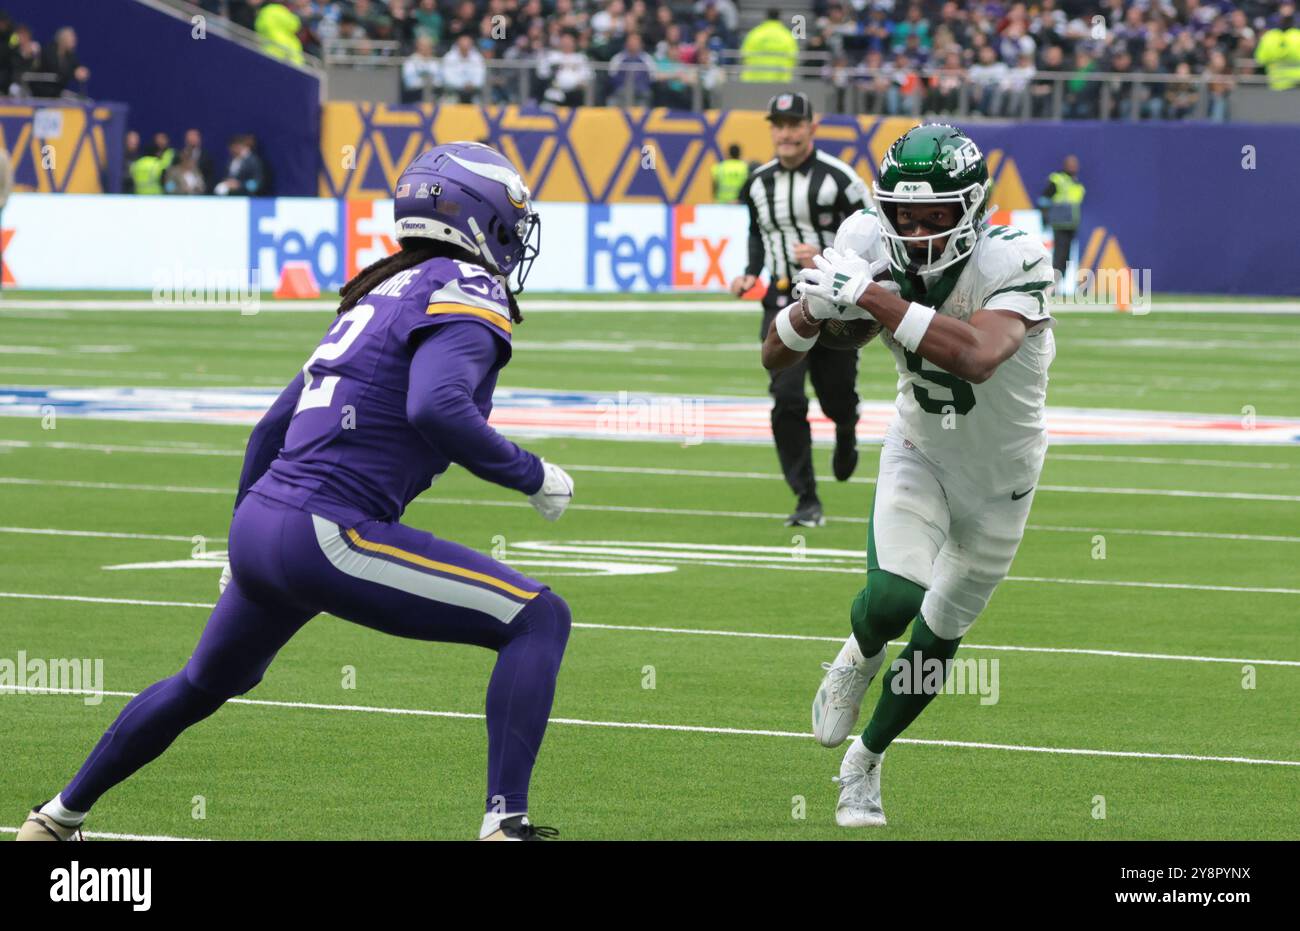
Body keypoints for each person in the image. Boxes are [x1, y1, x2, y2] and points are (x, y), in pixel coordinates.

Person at [16, 142, 576, 843]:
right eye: (510, 221)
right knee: (538, 618)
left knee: (201, 683)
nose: (515, 240)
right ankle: (505, 824)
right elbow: (436, 408)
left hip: (266, 523)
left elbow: (269, 428)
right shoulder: (463, 286)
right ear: (478, 217)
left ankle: (58, 815)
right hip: (329, 529)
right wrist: (532, 473)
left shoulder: (381, 290)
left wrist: (236, 538)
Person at [769, 123, 1055, 828]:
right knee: (895, 596)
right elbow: (776, 354)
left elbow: (979, 354)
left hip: (1004, 479)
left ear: (973, 209)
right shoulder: (866, 241)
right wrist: (812, 310)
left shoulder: (1013, 256)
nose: (919, 229)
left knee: (939, 635)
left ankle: (864, 763)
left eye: (937, 214)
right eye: (905, 214)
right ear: (883, 208)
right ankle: (856, 656)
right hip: (920, 451)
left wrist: (873, 298)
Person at [730, 92, 869, 528]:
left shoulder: (840, 179)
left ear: (812, 126)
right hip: (782, 302)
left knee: (836, 396)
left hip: (836, 305)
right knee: (786, 398)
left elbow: (873, 239)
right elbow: (759, 231)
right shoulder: (758, 183)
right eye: (779, 124)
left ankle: (846, 427)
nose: (786, 132)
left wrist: (828, 254)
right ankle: (806, 497)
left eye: (794, 123)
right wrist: (751, 272)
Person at [1038, 154, 1084, 282]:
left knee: (1067, 257)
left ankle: (1061, 283)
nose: (1074, 166)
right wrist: (1045, 218)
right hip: (1059, 224)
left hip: (1071, 225)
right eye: (1071, 164)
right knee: (1059, 255)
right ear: (1065, 165)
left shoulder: (1076, 183)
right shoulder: (1058, 179)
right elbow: (1043, 200)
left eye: (1075, 164)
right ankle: (1054, 284)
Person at [739, 8, 798, 83]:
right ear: (779, 18)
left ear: (766, 17)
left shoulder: (754, 34)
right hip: (780, 81)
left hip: (754, 80)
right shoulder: (787, 36)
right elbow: (793, 57)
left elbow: (744, 55)